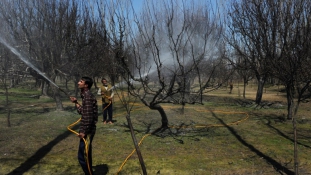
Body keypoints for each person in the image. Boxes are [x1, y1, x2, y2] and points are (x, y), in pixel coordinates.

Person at [70, 77, 98, 175]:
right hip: (87, 129)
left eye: (81, 82)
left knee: (82, 156)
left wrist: (84, 132)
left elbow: (89, 117)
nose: (78, 83)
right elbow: (83, 112)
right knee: (85, 155)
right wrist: (76, 103)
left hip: (88, 130)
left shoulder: (88, 96)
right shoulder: (85, 95)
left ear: (86, 85)